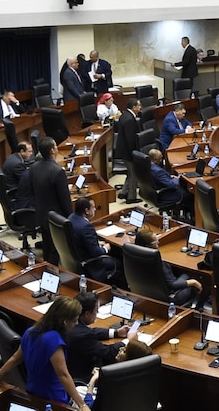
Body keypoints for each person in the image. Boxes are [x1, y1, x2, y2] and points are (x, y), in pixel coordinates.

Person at [0, 296, 92, 411]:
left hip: (32, 392)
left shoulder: (31, 331)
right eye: (74, 320)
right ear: (65, 322)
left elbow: (15, 358)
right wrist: (82, 405)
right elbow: (63, 375)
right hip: (53, 397)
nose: (76, 324)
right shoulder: (54, 340)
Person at [65, 291, 135, 383]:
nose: (97, 313)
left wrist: (116, 333)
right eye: (96, 311)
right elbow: (108, 352)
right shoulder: (83, 336)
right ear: (87, 314)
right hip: (85, 377)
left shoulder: (72, 323)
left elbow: (92, 331)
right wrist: (129, 340)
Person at [29, 137, 74, 265]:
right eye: (55, 146)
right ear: (52, 151)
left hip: (41, 214)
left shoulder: (34, 167)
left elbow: (32, 191)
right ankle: (53, 272)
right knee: (56, 249)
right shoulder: (57, 171)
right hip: (56, 218)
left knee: (47, 246)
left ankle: (46, 269)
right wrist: (71, 218)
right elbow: (65, 200)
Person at [134, 228, 202, 303]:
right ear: (148, 246)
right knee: (190, 275)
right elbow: (172, 285)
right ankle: (199, 304)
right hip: (170, 296)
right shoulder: (158, 262)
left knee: (182, 273)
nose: (158, 243)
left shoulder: (135, 255)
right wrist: (193, 282)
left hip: (148, 292)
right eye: (156, 241)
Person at [69, 196, 124, 285]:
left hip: (79, 256)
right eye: (93, 207)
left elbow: (81, 240)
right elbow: (96, 253)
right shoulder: (86, 227)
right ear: (87, 211)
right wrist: (105, 248)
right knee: (121, 262)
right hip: (92, 264)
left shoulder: (71, 217)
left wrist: (97, 243)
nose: (95, 209)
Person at [148, 148, 193, 215]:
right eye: (160, 158)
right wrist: (177, 179)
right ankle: (190, 216)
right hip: (166, 193)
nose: (161, 160)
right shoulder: (157, 171)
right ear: (155, 159)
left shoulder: (148, 166)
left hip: (158, 190)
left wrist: (170, 177)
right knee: (191, 194)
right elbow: (173, 185)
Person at [115, 98, 142, 203]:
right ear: (134, 107)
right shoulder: (130, 119)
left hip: (124, 150)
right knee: (134, 174)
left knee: (130, 173)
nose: (140, 107)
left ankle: (124, 192)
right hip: (128, 152)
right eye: (139, 105)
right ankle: (131, 197)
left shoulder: (125, 115)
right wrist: (134, 154)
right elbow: (130, 139)